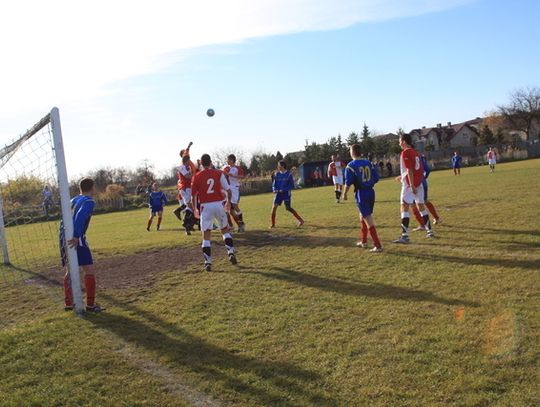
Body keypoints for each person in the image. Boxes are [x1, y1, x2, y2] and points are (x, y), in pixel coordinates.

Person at [60, 178, 104, 312]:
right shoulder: (89, 201)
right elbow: (80, 217)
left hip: (64, 237)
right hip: (76, 238)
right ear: (92, 188)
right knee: (89, 270)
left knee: (70, 270)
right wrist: (76, 236)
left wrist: (63, 238)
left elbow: (63, 220)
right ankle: (90, 305)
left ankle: (69, 303)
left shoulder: (72, 200)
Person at [191, 153, 237, 272]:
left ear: (201, 163)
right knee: (225, 230)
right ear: (210, 162)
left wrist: (195, 209)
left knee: (206, 236)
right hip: (218, 204)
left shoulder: (197, 176)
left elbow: (193, 196)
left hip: (205, 207)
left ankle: (208, 262)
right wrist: (227, 202)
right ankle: (230, 252)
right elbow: (228, 190)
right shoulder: (218, 173)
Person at [392, 133, 434, 243]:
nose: (399, 143)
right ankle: (429, 231)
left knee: (404, 207)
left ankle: (404, 236)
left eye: (400, 141)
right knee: (421, 207)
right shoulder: (416, 153)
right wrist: (405, 177)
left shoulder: (405, 153)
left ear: (404, 141)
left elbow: (410, 169)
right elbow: (418, 170)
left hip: (409, 185)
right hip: (419, 183)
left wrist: (411, 185)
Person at [343, 144, 383, 252]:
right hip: (371, 192)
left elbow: (348, 182)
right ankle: (364, 241)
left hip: (361, 193)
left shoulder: (351, 165)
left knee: (368, 218)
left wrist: (344, 193)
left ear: (352, 152)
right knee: (362, 216)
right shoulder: (368, 163)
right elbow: (376, 178)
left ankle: (378, 245)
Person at [270, 160, 304, 228]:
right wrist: (274, 189)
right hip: (278, 194)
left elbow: (291, 185)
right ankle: (273, 224)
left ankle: (301, 220)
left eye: (278, 165)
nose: (277, 167)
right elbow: (274, 184)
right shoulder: (277, 174)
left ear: (282, 166)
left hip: (286, 193)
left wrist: (284, 189)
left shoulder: (289, 174)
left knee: (288, 208)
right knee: (274, 208)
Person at [412, 154, 441, 230]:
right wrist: (423, 178)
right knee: (424, 201)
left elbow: (427, 170)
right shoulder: (419, 156)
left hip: (415, 185)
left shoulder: (412, 156)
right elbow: (427, 169)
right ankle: (436, 218)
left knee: (413, 204)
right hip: (422, 184)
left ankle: (423, 225)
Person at [222, 154, 246, 232]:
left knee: (235, 206)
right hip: (227, 189)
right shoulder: (225, 168)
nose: (227, 161)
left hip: (235, 188)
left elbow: (242, 176)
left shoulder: (237, 168)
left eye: (228, 159)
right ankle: (234, 225)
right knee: (229, 208)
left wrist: (234, 176)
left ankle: (241, 224)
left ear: (232, 160)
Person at [176, 155, 197, 234]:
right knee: (190, 206)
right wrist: (194, 174)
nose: (190, 162)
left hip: (188, 187)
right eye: (189, 161)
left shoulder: (187, 167)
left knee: (191, 207)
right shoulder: (182, 167)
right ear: (187, 161)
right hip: (185, 188)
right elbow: (187, 176)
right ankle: (186, 224)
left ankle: (188, 225)